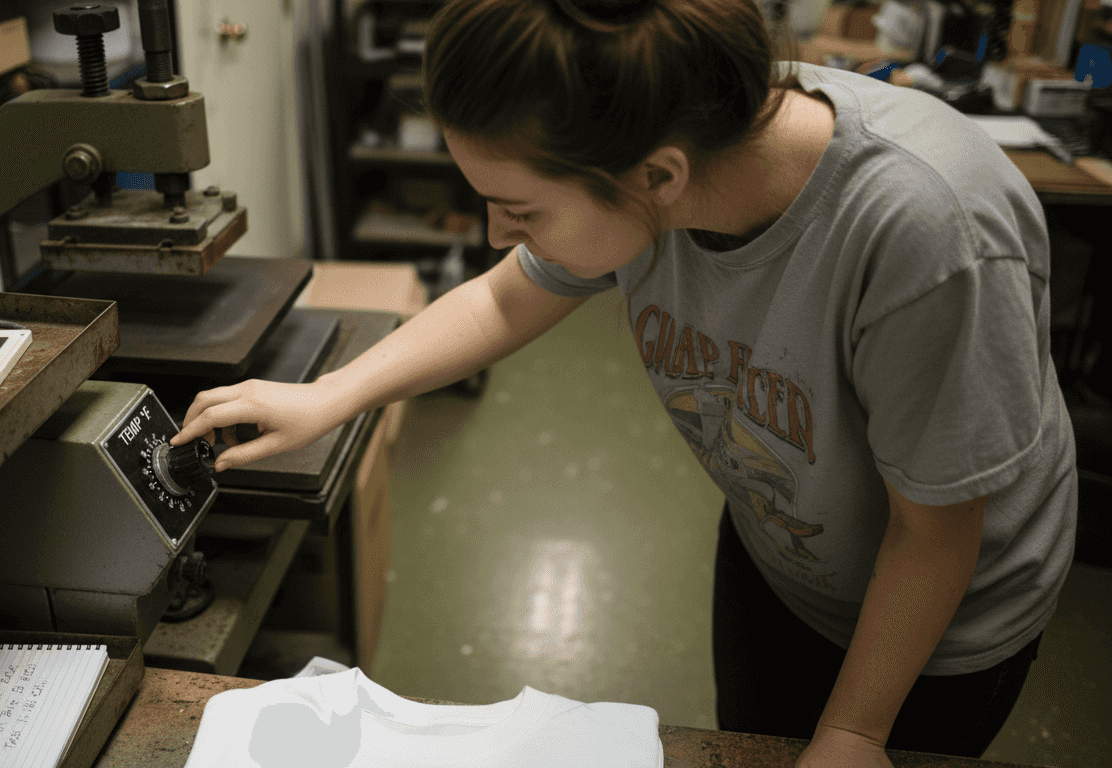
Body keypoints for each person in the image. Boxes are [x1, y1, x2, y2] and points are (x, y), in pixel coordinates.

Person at [172, 0, 1078, 764]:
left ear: (660, 176)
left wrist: (854, 730)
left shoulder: (928, 236)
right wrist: (329, 397)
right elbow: (508, 293)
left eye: (520, 210)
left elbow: (935, 530)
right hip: (781, 551)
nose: (495, 233)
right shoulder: (661, 136)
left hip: (937, 625)